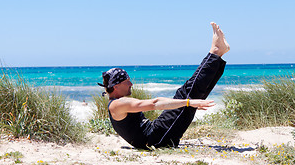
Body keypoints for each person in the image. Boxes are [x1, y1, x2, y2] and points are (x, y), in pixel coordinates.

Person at [98, 22, 230, 149]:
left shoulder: (116, 103)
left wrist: (188, 104)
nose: (131, 84)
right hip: (156, 139)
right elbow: (154, 104)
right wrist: (188, 103)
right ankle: (215, 52)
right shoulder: (117, 104)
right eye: (127, 81)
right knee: (185, 95)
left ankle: (218, 54)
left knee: (185, 95)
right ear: (115, 86)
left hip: (156, 135)